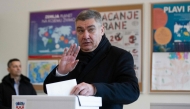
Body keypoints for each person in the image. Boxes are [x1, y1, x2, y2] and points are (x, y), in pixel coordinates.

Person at [43, 9, 139, 109]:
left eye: (91, 29)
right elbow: (47, 90)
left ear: (102, 30)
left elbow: (132, 91)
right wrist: (61, 72)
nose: (85, 36)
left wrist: (94, 89)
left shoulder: (119, 56)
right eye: (80, 30)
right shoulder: (72, 56)